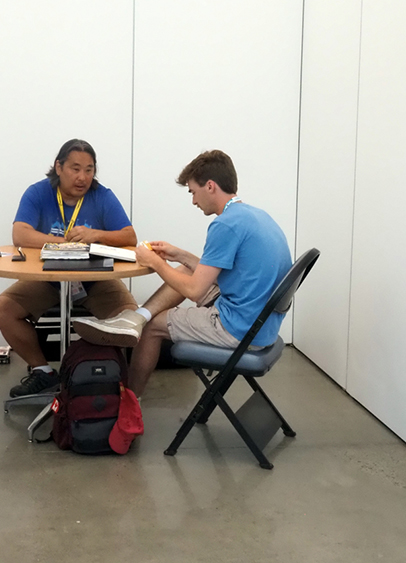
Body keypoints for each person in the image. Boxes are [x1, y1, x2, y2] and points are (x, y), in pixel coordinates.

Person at [73, 149, 292, 397]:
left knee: (152, 327)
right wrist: (179, 255)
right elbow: (217, 272)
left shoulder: (225, 225)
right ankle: (136, 317)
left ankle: (131, 400)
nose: (194, 201)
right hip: (262, 323)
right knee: (187, 269)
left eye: (193, 192)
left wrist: (155, 263)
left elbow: (195, 290)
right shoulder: (254, 216)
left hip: (239, 328)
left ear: (210, 186)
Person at [0, 139, 138, 397]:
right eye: (75, 168)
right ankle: (43, 372)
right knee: (4, 308)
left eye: (89, 170)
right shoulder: (39, 193)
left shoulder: (102, 195)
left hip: (95, 280)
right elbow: (20, 234)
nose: (83, 177)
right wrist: (65, 244)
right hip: (47, 278)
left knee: (131, 318)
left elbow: (129, 236)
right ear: (58, 167)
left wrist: (96, 234)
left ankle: (101, 374)